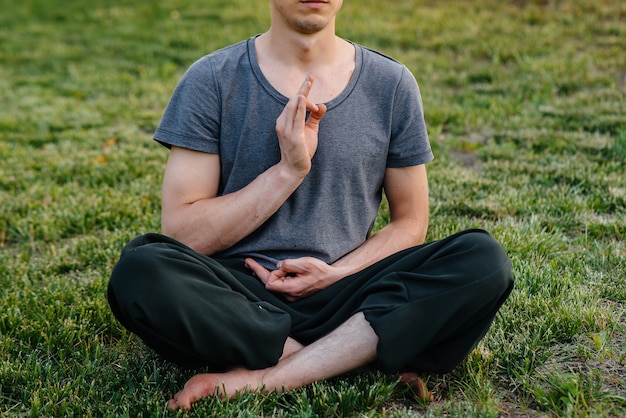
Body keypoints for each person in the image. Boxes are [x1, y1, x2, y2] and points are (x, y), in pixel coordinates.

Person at [107, 0, 514, 411]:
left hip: (349, 290)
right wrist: (287, 172)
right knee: (142, 270)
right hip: (240, 296)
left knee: (483, 258)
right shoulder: (211, 79)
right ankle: (354, 354)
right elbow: (182, 233)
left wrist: (337, 273)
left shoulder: (391, 83)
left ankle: (271, 375)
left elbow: (411, 223)